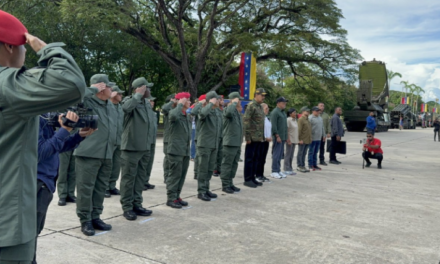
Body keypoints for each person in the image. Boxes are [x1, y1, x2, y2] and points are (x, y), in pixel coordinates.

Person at [0, 11, 86, 262]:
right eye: (23, 48)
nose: (26, 54)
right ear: (8, 46)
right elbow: (71, 83)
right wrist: (45, 48)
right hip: (6, 228)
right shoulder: (7, 85)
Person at [35, 111, 95, 263]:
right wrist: (65, 130)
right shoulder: (36, 117)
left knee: (34, 231)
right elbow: (40, 152)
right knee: (30, 233)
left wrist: (78, 136)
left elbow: (57, 147)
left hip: (44, 182)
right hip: (37, 182)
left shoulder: (44, 116)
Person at [74, 74, 117, 236]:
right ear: (101, 87)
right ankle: (85, 220)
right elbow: (72, 98)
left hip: (106, 153)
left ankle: (95, 216)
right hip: (88, 152)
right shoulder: (86, 102)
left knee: (100, 188)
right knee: (86, 188)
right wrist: (91, 89)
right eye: (109, 87)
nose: (112, 90)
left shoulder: (109, 105)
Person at [119, 77, 154, 221]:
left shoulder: (146, 103)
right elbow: (125, 109)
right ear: (140, 88)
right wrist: (138, 95)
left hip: (144, 147)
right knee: (128, 179)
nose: (149, 90)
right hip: (131, 147)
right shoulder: (129, 100)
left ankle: (137, 204)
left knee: (140, 178)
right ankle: (127, 207)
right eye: (147, 88)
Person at [165, 92, 192, 208]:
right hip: (175, 150)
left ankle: (177, 196)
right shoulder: (174, 113)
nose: (190, 102)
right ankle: (171, 198)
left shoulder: (187, 115)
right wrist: (179, 104)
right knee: (174, 175)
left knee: (181, 175)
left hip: (185, 150)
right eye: (188, 100)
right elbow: (172, 116)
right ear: (182, 101)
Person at [196, 91, 220, 201]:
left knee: (210, 169)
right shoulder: (203, 109)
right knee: (203, 169)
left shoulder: (216, 112)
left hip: (213, 144)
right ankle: (201, 191)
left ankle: (206, 189)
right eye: (217, 99)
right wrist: (209, 103)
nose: (219, 101)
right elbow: (201, 114)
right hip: (205, 144)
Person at [220, 92, 244, 194]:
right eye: (239, 100)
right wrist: (233, 103)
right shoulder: (228, 110)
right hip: (229, 143)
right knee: (227, 164)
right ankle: (225, 185)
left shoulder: (236, 112)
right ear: (234, 100)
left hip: (236, 143)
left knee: (234, 164)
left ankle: (230, 182)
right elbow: (228, 112)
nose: (241, 102)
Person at [243, 88, 267, 188]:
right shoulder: (251, 106)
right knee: (249, 159)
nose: (263, 97)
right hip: (252, 138)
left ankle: (253, 178)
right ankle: (248, 179)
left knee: (256, 159)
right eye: (262, 95)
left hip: (259, 138)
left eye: (264, 95)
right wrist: (248, 137)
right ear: (256, 95)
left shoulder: (260, 107)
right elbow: (246, 121)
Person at [105, 83, 125, 198]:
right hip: (110, 140)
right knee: (108, 165)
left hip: (119, 140)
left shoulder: (120, 107)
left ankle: (112, 185)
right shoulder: (108, 106)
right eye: (119, 93)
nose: (121, 95)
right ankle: (105, 187)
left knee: (116, 165)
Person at [57, 128, 79, 206]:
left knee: (73, 169)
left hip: (76, 137)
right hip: (64, 138)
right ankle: (62, 195)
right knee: (63, 169)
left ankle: (70, 193)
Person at [270, 97, 288, 179]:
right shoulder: (275, 112)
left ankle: (278, 170)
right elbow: (273, 125)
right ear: (278, 103)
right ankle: (274, 171)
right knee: (276, 154)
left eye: (285, 102)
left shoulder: (283, 113)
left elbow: (284, 126)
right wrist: (277, 135)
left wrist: (286, 136)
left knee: (280, 154)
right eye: (283, 102)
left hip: (283, 137)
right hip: (278, 137)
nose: (285, 104)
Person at [161, 93, 177, 183]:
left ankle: (173, 176)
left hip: (176, 138)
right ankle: (167, 176)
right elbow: (164, 108)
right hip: (169, 138)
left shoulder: (177, 109)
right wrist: (172, 102)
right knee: (168, 158)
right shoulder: (168, 109)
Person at [190, 94, 207, 180]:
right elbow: (192, 111)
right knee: (198, 156)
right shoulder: (200, 108)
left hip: (205, 136)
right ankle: (196, 172)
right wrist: (200, 103)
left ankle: (199, 172)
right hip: (199, 135)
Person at [143, 95, 158, 190]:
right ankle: (141, 182)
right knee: (143, 164)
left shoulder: (153, 113)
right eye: (150, 101)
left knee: (149, 162)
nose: (152, 103)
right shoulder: (144, 112)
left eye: (153, 101)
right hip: (145, 141)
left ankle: (146, 180)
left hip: (152, 140)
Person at [256, 103, 272, 182]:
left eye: (268, 108)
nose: (267, 110)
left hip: (266, 141)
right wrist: (266, 137)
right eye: (266, 108)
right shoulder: (259, 118)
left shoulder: (266, 118)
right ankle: (257, 175)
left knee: (263, 159)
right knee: (259, 158)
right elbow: (259, 130)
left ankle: (261, 174)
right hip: (261, 141)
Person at [308, 106, 325, 171]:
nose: (318, 112)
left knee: (316, 152)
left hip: (319, 138)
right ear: (313, 111)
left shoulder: (320, 118)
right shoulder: (310, 118)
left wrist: (324, 135)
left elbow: (322, 127)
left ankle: (315, 164)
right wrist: (310, 137)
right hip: (313, 138)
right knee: (311, 152)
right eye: (317, 111)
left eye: (318, 111)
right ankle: (310, 164)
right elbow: (309, 128)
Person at [297, 107, 312, 173]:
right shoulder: (301, 119)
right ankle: (299, 165)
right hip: (302, 139)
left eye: (309, 111)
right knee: (300, 153)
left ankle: (303, 165)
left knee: (304, 153)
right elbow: (299, 130)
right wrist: (299, 139)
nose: (308, 112)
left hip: (307, 139)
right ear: (303, 111)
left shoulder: (307, 119)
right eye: (307, 111)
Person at [284, 108, 298, 175]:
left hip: (294, 140)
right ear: (290, 114)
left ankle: (290, 167)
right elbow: (287, 130)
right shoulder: (288, 120)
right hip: (290, 140)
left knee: (291, 155)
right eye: (294, 112)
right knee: (288, 155)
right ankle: (286, 168)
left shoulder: (295, 120)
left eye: (295, 112)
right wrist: (288, 139)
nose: (295, 114)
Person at [213, 95, 225, 177]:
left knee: (221, 153)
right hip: (215, 134)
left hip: (222, 134)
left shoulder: (223, 110)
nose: (222, 101)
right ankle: (214, 169)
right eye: (220, 99)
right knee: (215, 152)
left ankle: (219, 168)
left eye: (223, 99)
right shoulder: (215, 110)